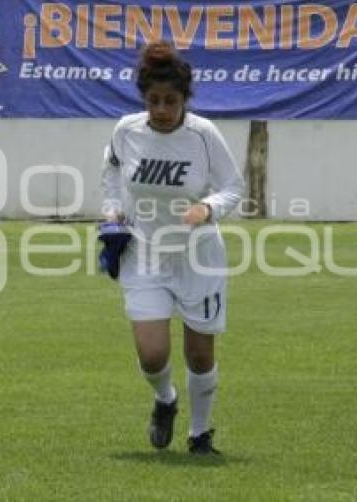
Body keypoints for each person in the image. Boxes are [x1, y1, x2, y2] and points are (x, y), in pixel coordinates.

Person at [101, 42, 245, 454]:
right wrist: (112, 213)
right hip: (144, 252)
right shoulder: (126, 129)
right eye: (154, 101)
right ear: (143, 98)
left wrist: (208, 207)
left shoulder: (203, 134)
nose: (162, 109)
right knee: (151, 354)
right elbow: (111, 172)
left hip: (197, 256)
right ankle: (165, 400)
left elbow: (233, 186)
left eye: (170, 101)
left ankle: (200, 434)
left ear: (185, 99)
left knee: (200, 356)